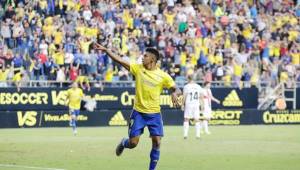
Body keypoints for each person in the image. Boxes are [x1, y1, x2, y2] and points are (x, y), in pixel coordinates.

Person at [95, 44, 181, 170]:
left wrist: (174, 93)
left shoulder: (163, 76)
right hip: (139, 113)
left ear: (152, 59)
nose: (142, 57)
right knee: (133, 143)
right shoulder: (138, 68)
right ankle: (124, 143)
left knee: (157, 141)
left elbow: (177, 88)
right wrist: (107, 51)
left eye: (145, 56)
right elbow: (119, 60)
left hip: (155, 114)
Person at [182, 75, 203, 139]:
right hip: (196, 104)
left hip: (189, 104)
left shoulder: (186, 86)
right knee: (197, 119)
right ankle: (198, 135)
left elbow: (184, 96)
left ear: (188, 79)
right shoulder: (198, 86)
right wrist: (202, 105)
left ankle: (185, 135)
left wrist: (182, 104)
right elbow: (200, 96)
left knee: (186, 119)